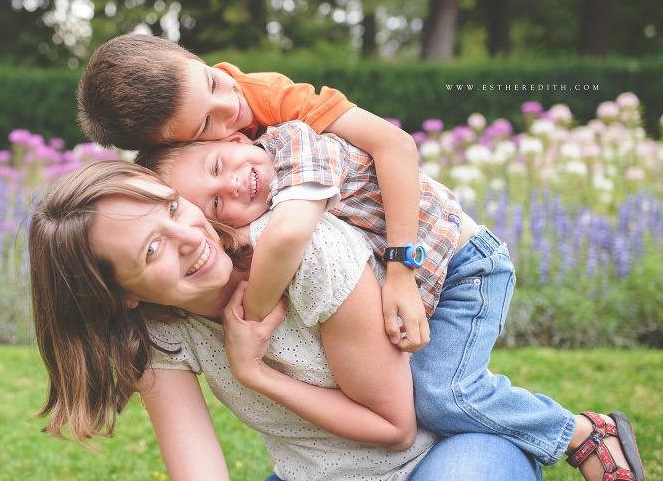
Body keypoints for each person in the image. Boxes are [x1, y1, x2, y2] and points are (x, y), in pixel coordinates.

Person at [139, 120, 646, 481]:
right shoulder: (233, 242)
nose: (229, 185)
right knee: (433, 390)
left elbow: (389, 147)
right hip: (415, 288)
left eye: (175, 209)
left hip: (458, 264)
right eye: (212, 203)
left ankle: (579, 432)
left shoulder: (294, 168)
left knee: (445, 395)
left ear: (233, 137)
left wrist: (251, 339)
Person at [28, 160, 543, 481]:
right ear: (120, 296)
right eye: (153, 247)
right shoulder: (160, 333)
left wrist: (255, 373)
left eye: (170, 207)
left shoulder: (307, 253)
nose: (190, 236)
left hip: (449, 455)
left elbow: (397, 429)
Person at [77, 33, 430, 353]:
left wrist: (401, 270)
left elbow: (395, 145)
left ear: (196, 59)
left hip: (422, 240)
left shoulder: (273, 100)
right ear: (182, 143)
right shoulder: (209, 173)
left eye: (213, 82)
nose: (231, 105)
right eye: (205, 123)